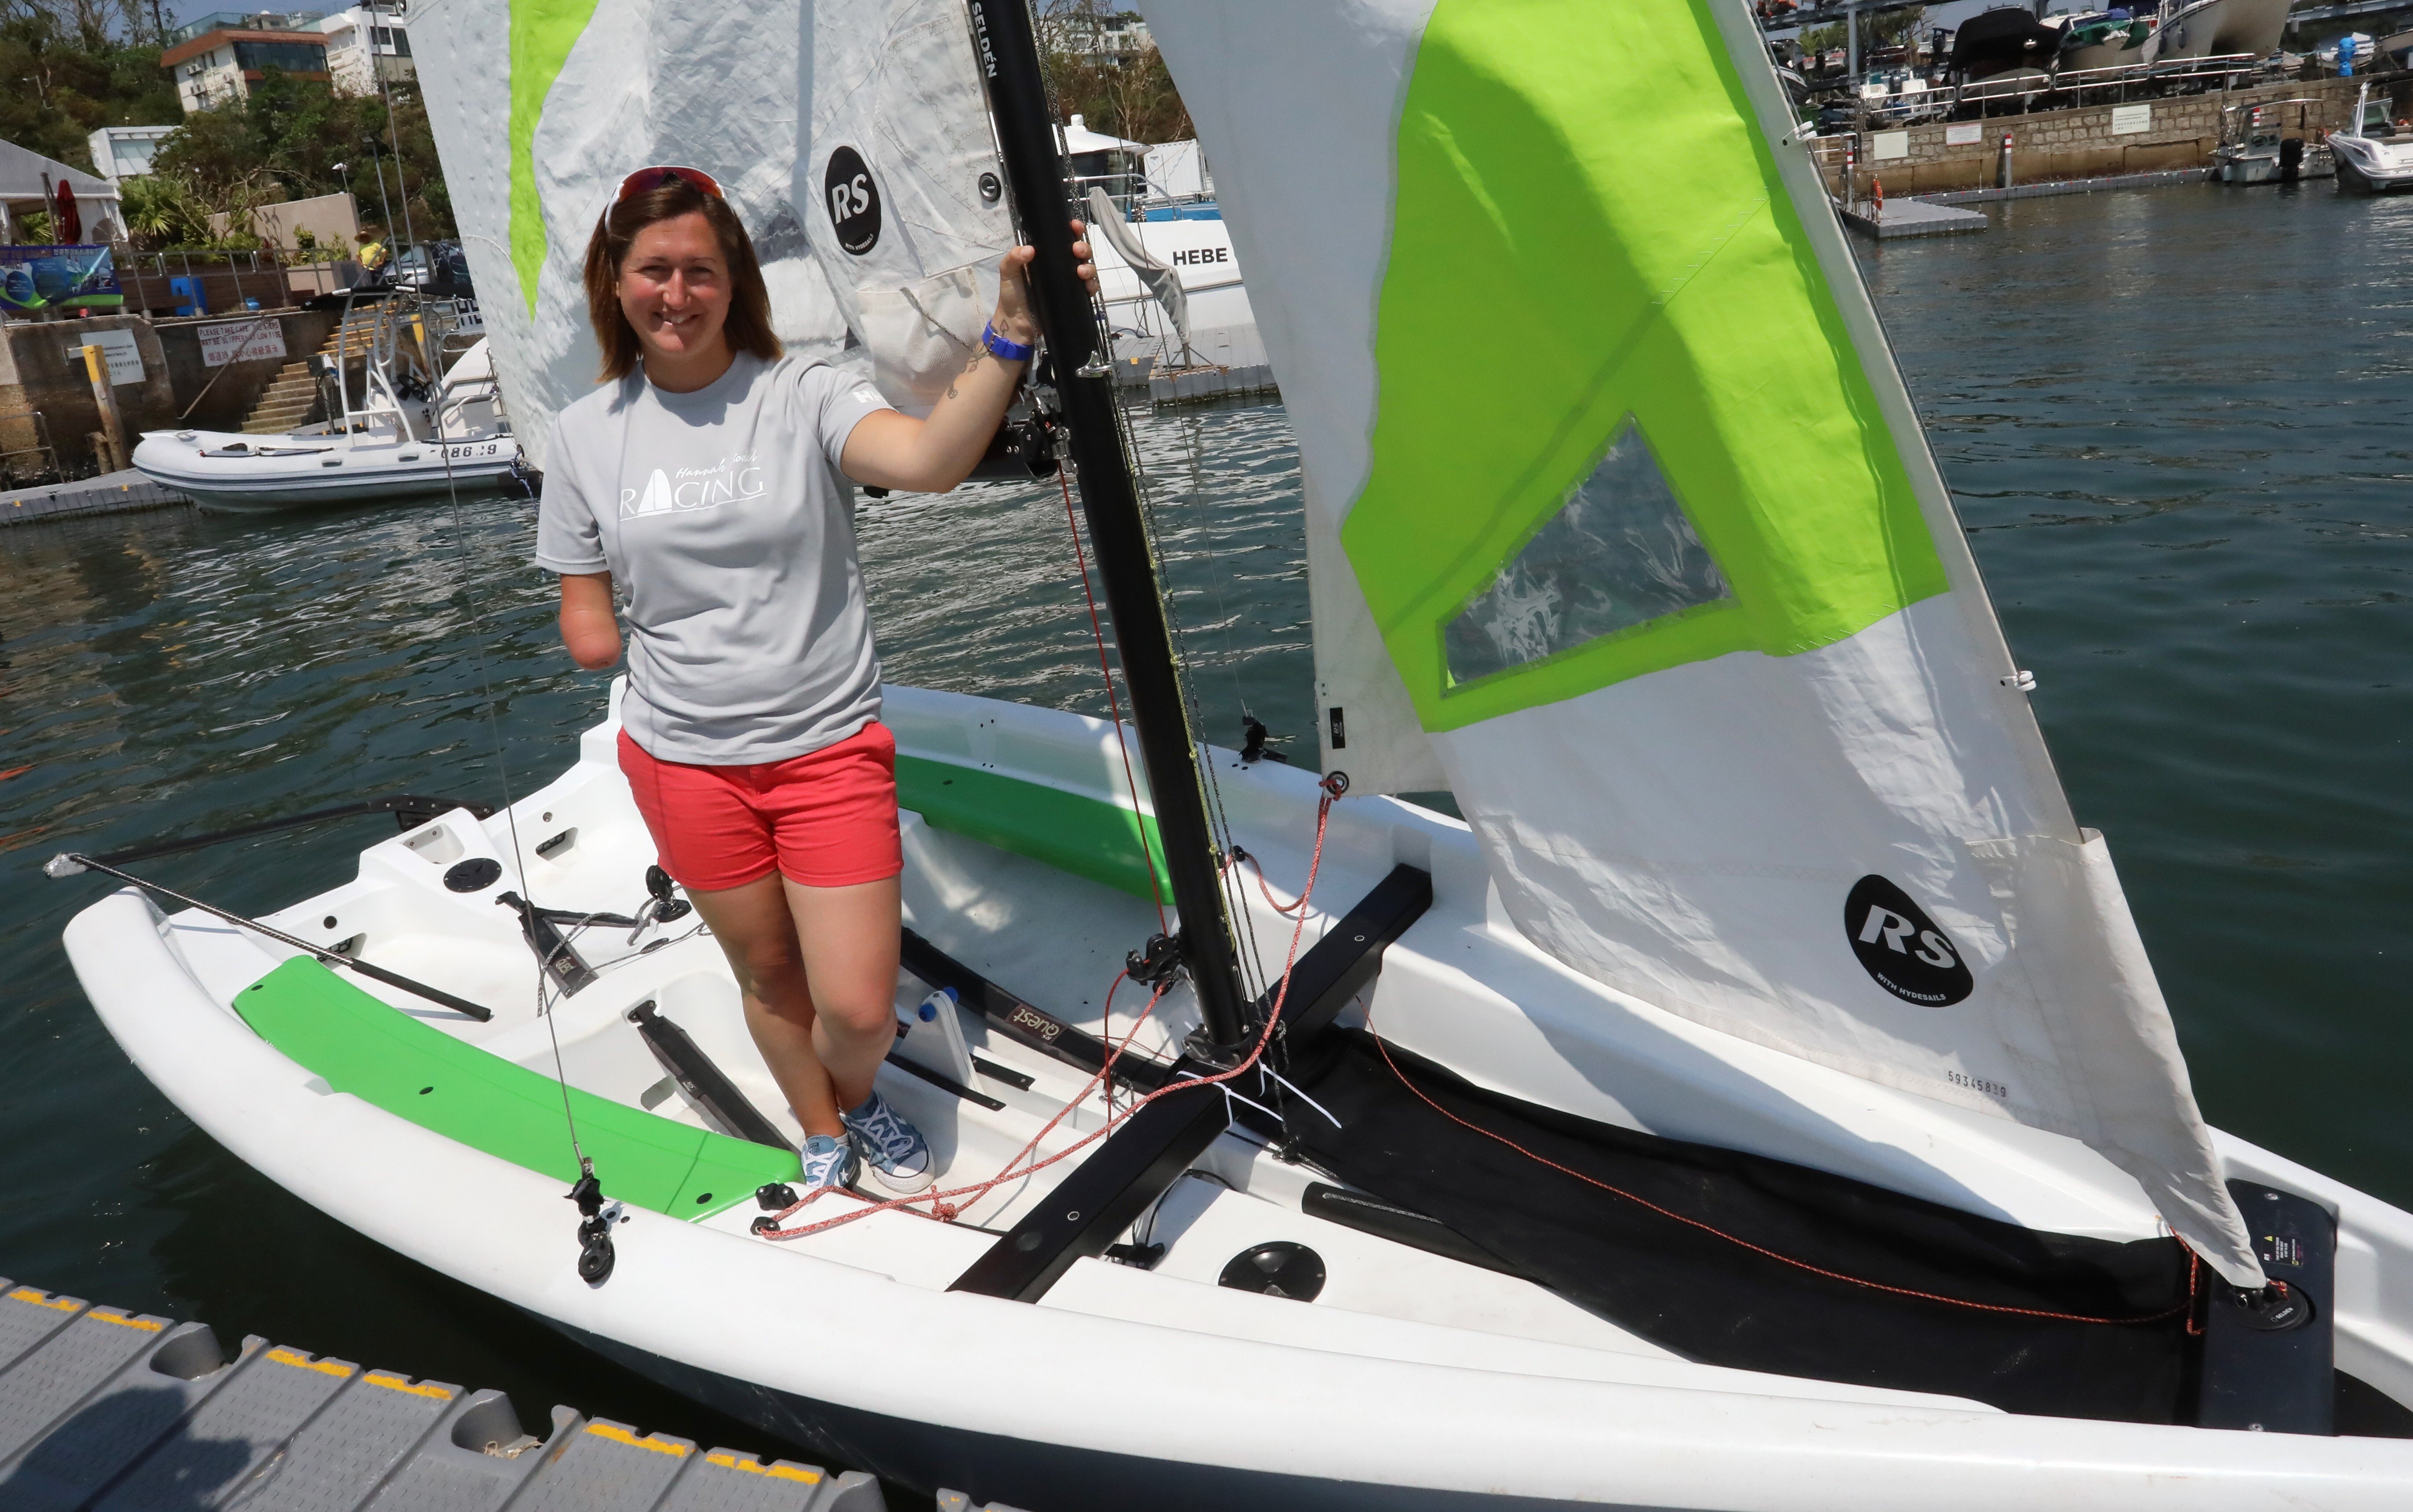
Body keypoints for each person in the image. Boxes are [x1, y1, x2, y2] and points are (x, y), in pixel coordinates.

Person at [533, 164, 1094, 1200]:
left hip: (826, 753)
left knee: (859, 1008)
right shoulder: (581, 435)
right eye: (652, 270)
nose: (677, 293)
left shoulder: (802, 394)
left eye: (700, 270)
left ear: (734, 281)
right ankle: (820, 1124)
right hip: (685, 764)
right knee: (770, 977)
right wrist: (594, 627)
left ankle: (856, 1085)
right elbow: (583, 610)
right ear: (613, 282)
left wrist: (1010, 333)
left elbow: (926, 461)